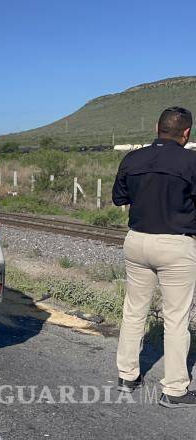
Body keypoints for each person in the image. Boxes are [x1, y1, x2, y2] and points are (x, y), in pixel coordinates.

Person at [113, 106, 196, 408]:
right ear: (186, 133)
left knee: (134, 310)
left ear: (156, 128)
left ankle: (127, 375)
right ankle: (174, 390)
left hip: (136, 241)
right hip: (176, 245)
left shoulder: (132, 158)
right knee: (176, 318)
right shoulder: (191, 161)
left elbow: (119, 197)